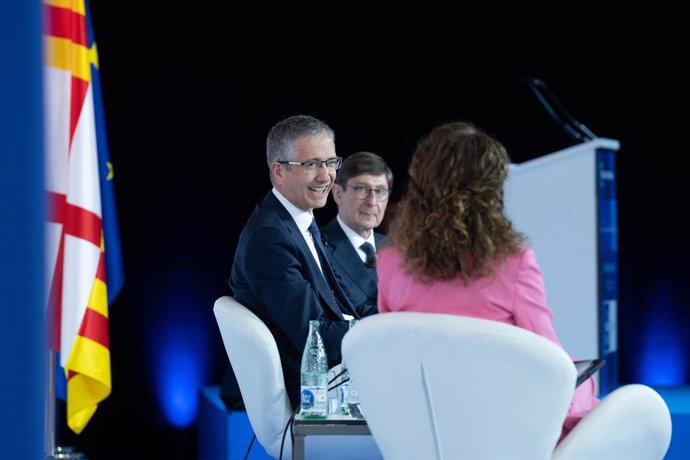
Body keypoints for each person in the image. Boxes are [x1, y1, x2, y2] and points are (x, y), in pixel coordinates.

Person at [376, 120, 599, 441]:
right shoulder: (514, 262)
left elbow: (392, 356)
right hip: (506, 428)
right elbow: (553, 367)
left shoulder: (389, 262)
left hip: (424, 428)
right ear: (490, 190)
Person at [229, 115, 378, 409]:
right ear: (278, 171)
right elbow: (314, 338)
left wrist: (396, 315)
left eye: (330, 162)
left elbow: (345, 304)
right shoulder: (269, 239)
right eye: (311, 165)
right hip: (316, 393)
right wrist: (379, 332)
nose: (326, 176)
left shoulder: (299, 222)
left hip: (340, 375)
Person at [322, 151, 393, 307]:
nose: (372, 201)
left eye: (380, 191)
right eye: (362, 189)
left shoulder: (397, 248)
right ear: (338, 194)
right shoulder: (318, 247)